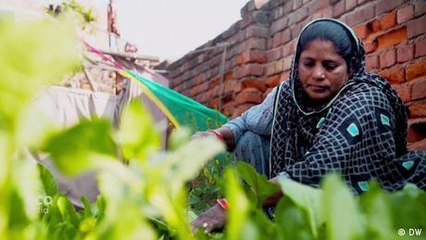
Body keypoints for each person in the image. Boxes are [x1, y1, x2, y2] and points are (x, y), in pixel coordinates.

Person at [191, 18, 426, 233]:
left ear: (350, 67)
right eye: (309, 63)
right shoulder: (290, 93)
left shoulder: (363, 99)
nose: (318, 74)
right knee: (249, 138)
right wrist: (214, 137)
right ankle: (266, 221)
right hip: (303, 182)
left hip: (358, 187)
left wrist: (228, 207)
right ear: (297, 64)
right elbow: (245, 122)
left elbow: (318, 168)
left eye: (330, 66)